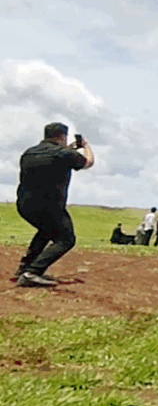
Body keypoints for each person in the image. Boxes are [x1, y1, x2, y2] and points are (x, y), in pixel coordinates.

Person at [14, 122, 94, 287]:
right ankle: (32, 272)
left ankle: (24, 268)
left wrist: (70, 149)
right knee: (66, 239)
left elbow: (55, 158)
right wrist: (85, 146)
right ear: (63, 136)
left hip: (24, 205)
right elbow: (88, 162)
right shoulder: (64, 154)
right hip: (49, 207)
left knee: (47, 231)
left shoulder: (29, 152)